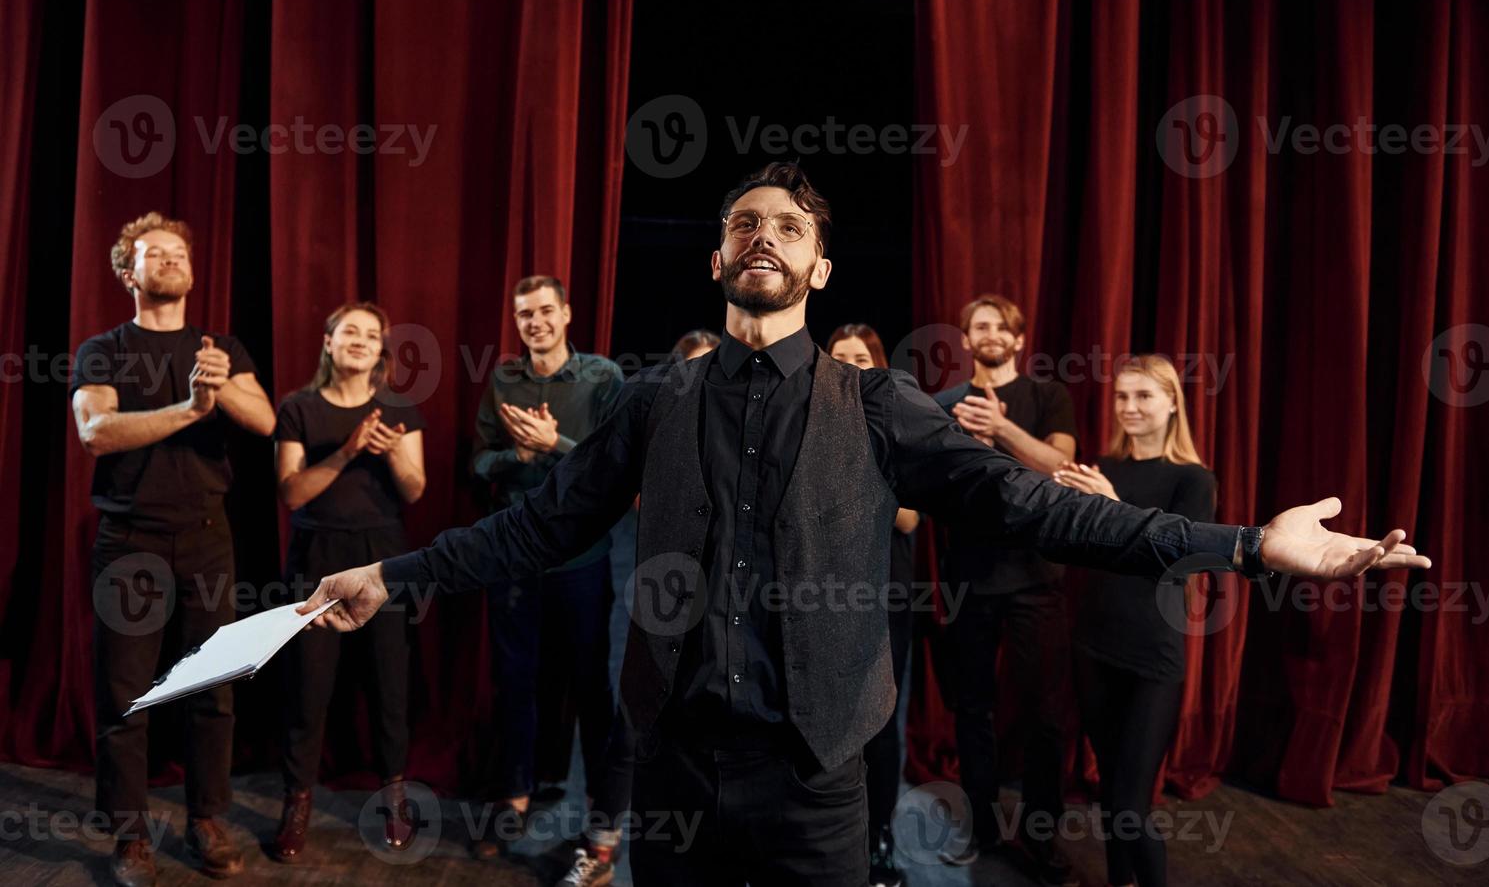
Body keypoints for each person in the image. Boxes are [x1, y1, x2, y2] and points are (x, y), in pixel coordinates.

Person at [298, 162, 1427, 887]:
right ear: (714, 258)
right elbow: (539, 526)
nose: (762, 235)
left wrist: (1243, 543)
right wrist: (392, 576)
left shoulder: (879, 404)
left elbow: (1035, 504)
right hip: (678, 767)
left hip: (819, 777)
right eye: (742, 221)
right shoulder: (654, 401)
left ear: (818, 266)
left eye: (786, 225)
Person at [70, 212, 275, 887]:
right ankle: (130, 837)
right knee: (126, 695)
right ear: (128, 273)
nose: (170, 260)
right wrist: (190, 408)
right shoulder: (103, 349)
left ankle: (207, 817)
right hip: (130, 540)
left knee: (212, 686)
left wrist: (222, 388)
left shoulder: (219, 348)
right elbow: (97, 430)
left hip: (208, 538)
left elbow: (267, 421)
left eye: (179, 252)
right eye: (154, 254)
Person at [557, 328, 724, 887]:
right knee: (633, 725)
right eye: (693, 367)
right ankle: (600, 850)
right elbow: (626, 490)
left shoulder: (754, 428)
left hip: (735, 610)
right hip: (666, 596)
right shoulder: (662, 425)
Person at [468, 275, 625, 860]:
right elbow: (479, 462)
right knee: (516, 681)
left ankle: (601, 819)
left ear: (566, 314)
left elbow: (617, 468)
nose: (534, 322)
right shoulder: (503, 379)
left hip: (581, 558)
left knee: (590, 686)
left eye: (544, 311)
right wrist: (520, 455)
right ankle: (513, 798)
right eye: (523, 315)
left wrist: (556, 444)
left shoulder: (603, 377)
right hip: (513, 555)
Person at [267, 302, 427, 862]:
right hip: (316, 555)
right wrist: (348, 451)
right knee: (307, 688)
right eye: (349, 332)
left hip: (383, 557)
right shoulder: (298, 407)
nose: (360, 340)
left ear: (381, 350)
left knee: (389, 682)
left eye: (371, 335)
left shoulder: (397, 407)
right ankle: (297, 800)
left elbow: (414, 490)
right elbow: (290, 494)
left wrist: (386, 456)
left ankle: (395, 796)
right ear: (329, 343)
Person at [931, 294, 1080, 883]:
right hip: (967, 579)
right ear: (967, 341)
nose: (990, 334)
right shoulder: (945, 404)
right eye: (979, 326)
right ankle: (983, 830)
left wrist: (1001, 429)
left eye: (1002, 327)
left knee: (1045, 716)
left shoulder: (1047, 397)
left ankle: (1041, 840)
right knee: (972, 712)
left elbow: (1061, 470)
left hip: (1035, 581)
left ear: (1018, 339)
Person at [1054, 355, 1214, 887]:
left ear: (1172, 403)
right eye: (1122, 396)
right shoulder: (1103, 466)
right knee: (1110, 792)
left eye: (1144, 396)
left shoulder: (1192, 479)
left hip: (1152, 656)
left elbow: (1176, 555)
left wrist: (1109, 504)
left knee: (1129, 801)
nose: (1130, 407)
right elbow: (1083, 551)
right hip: (1093, 645)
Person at [828, 323, 921, 887]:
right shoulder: (811, 418)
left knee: (880, 722)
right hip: (822, 595)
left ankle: (879, 838)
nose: (852, 367)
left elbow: (909, 518)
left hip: (885, 595)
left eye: (861, 358)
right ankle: (831, 839)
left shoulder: (899, 423)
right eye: (841, 359)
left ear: (879, 364)